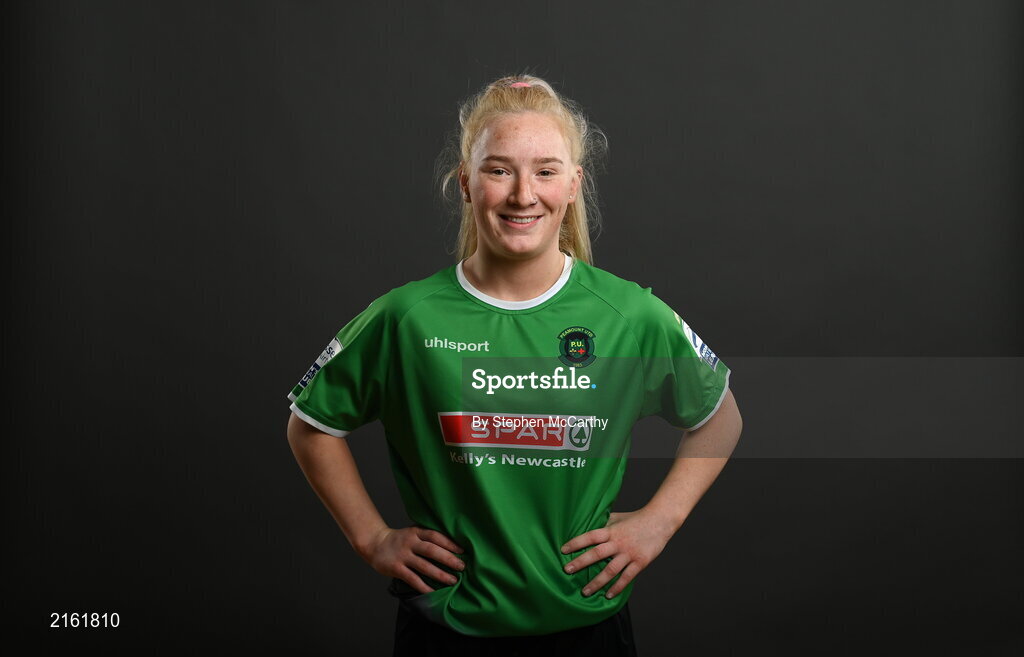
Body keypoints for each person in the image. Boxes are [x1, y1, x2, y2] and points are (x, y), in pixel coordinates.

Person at [285, 74, 743, 656]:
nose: (523, 194)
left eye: (546, 171)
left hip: (588, 629)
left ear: (574, 184)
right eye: (499, 170)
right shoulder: (406, 318)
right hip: (445, 632)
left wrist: (660, 521)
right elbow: (311, 426)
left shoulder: (629, 315)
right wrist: (372, 539)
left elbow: (720, 416)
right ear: (466, 184)